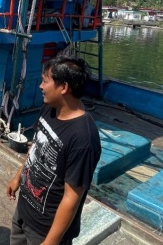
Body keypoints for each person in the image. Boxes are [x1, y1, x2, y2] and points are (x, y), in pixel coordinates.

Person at [6, 56, 101, 245]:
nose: (40, 86)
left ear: (64, 87)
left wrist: (50, 242)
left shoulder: (84, 139)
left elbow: (71, 197)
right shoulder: (49, 108)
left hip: (45, 232)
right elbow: (35, 148)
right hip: (23, 213)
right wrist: (18, 177)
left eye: (45, 81)